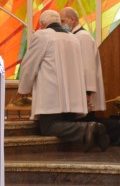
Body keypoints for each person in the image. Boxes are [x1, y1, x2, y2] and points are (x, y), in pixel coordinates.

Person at [17, 10, 109, 151]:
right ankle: (89, 132)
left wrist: (24, 89)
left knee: (48, 127)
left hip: (51, 95)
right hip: (73, 96)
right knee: (66, 122)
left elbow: (29, 65)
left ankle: (87, 128)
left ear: (43, 24)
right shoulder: (73, 38)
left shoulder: (42, 36)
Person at [60, 7, 120, 146]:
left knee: (86, 121)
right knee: (84, 122)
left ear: (72, 20)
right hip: (80, 91)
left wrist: (87, 93)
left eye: (62, 21)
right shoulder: (75, 37)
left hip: (85, 93)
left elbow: (88, 68)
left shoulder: (83, 38)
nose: (61, 24)